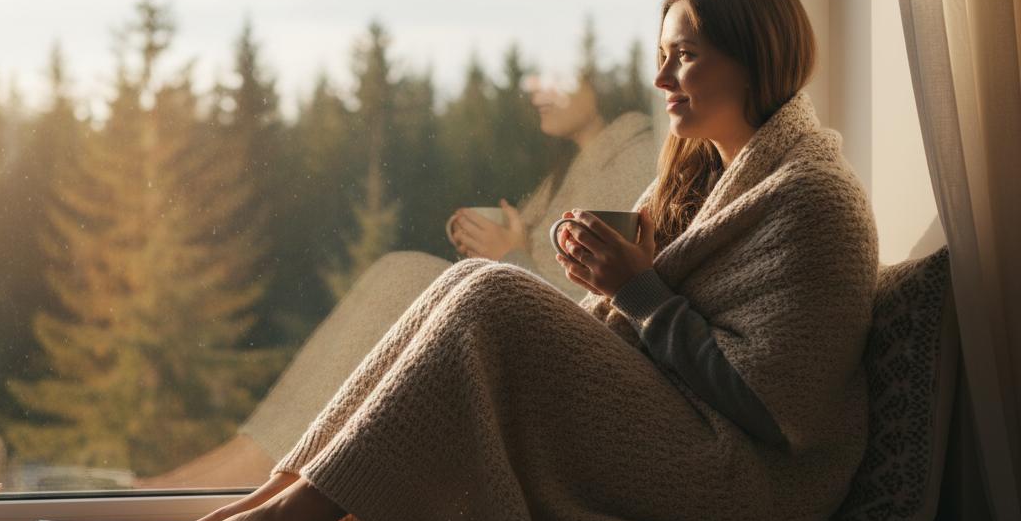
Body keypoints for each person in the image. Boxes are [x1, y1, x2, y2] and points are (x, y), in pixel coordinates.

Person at [142, 0, 879, 521]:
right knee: (468, 279)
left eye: (683, 56)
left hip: (751, 492)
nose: (661, 80)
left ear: (758, 57)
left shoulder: (814, 198)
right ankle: (283, 494)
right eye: (661, 56)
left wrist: (637, 291)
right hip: (689, 438)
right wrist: (611, 285)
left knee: (493, 293)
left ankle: (294, 519)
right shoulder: (699, 178)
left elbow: (775, 409)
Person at [136, 65, 657, 489]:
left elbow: (600, 313)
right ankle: (221, 472)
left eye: (554, 73)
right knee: (402, 275)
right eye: (534, 75)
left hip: (554, 381)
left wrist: (509, 254)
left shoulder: (634, 157)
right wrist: (495, 246)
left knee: (405, 276)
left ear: (594, 79)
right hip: (512, 337)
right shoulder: (581, 165)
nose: (536, 87)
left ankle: (247, 475)